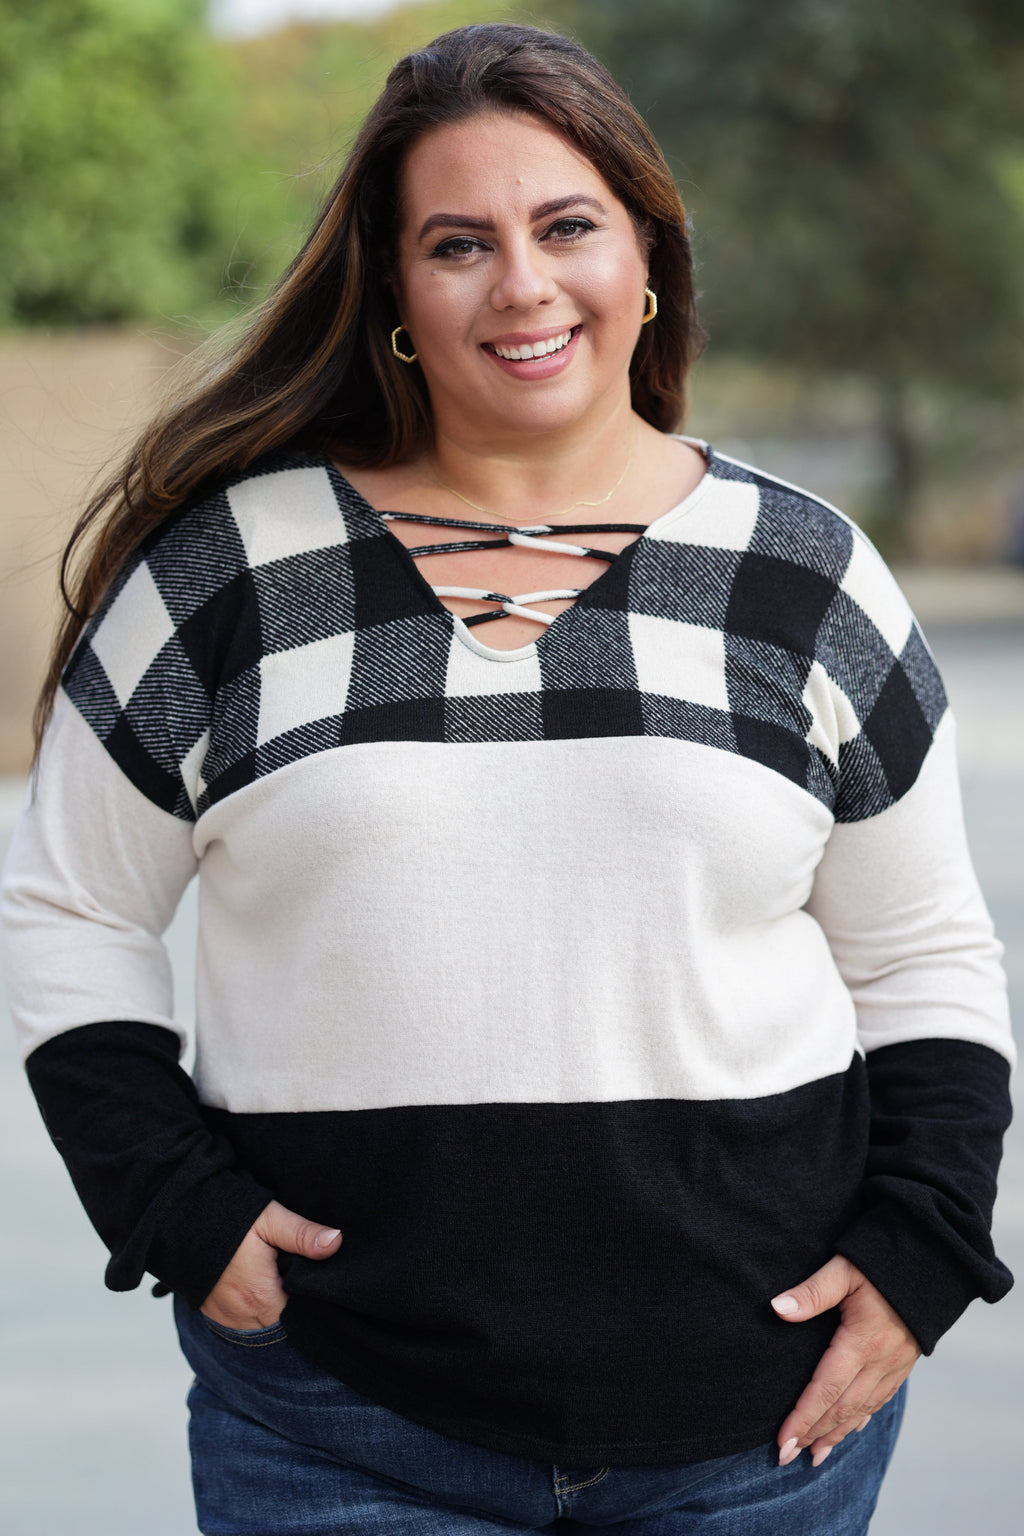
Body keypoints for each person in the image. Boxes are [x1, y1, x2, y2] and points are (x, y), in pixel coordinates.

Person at [1, 22, 1014, 1536]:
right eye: (457, 242)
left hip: (757, 1437)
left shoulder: (801, 573)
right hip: (340, 1424)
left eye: (567, 227)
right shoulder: (228, 574)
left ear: (647, 255)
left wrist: (924, 1253)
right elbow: (67, 905)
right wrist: (173, 1203)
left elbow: (923, 949)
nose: (523, 285)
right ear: (396, 291)